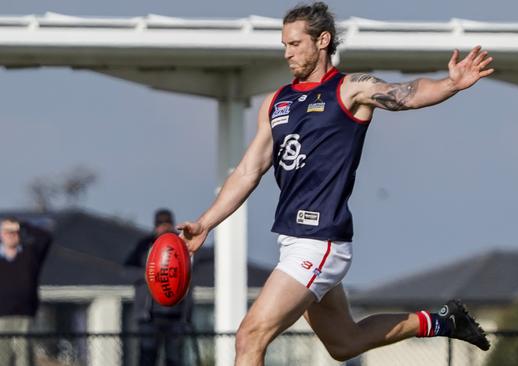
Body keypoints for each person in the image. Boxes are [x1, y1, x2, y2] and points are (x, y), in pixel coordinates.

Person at [177, 2, 494, 365]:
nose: (287, 53)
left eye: (295, 44)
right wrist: (205, 223)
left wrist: (451, 83)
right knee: (344, 343)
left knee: (250, 336)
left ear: (323, 40)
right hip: (292, 240)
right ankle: (441, 321)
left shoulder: (349, 89)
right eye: (284, 45)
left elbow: (406, 93)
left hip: (320, 241)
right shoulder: (276, 102)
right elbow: (248, 170)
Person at [124, 209, 193, 366]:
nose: (164, 228)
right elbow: (127, 271)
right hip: (150, 316)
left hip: (176, 316)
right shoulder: (144, 246)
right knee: (147, 357)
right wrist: (151, 274)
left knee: (174, 359)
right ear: (155, 226)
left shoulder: (181, 245)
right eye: (161, 224)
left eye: (168, 224)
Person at [0, 217, 52, 366]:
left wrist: (22, 225)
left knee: (24, 358)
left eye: (14, 232)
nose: (11, 235)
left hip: (25, 317)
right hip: (1, 318)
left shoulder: (30, 255)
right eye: (7, 232)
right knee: (2, 358)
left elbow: (45, 238)